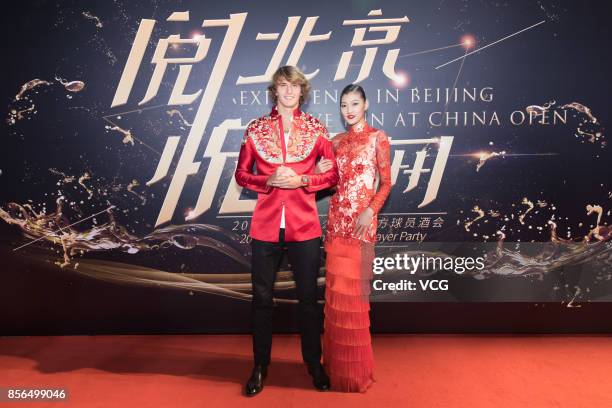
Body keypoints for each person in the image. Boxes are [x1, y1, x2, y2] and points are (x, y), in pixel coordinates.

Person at [234, 66, 339, 397]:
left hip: (304, 226)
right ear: (275, 90)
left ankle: (313, 364)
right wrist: (266, 180)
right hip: (265, 227)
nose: (290, 91)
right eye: (283, 85)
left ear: (301, 91)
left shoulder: (316, 129)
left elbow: (332, 175)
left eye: (295, 86)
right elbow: (241, 174)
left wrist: (303, 180)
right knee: (261, 300)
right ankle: (260, 366)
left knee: (308, 300)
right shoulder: (256, 129)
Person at [315, 84, 391, 392]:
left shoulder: (377, 138)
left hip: (360, 227)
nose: (349, 109)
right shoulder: (335, 142)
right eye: (344, 104)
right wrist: (320, 171)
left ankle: (355, 374)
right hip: (336, 225)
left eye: (355, 103)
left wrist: (370, 211)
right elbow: (332, 185)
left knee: (355, 304)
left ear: (365, 104)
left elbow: (386, 184)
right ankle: (334, 369)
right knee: (335, 300)